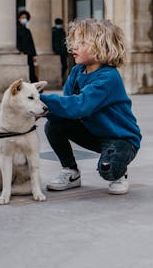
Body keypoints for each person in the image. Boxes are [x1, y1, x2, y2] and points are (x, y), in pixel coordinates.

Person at [40, 18, 142, 195]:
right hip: (94, 133)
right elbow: (68, 106)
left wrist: (38, 98)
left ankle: (119, 171)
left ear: (101, 46)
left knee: (108, 170)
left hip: (120, 138)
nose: (73, 47)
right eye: (73, 42)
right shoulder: (76, 71)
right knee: (54, 124)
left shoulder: (108, 77)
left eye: (81, 42)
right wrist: (42, 109)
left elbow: (80, 106)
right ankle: (70, 171)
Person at [17, 10, 38, 83]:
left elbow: (31, 43)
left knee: (31, 70)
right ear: (19, 19)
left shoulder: (27, 30)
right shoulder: (16, 30)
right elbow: (17, 42)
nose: (24, 19)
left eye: (25, 18)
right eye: (22, 17)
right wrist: (20, 51)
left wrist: (34, 55)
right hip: (22, 54)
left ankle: (35, 86)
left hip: (29, 53)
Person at [52, 18, 68, 85]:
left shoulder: (62, 31)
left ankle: (61, 77)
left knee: (65, 66)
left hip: (63, 52)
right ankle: (60, 79)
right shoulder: (53, 31)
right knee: (61, 66)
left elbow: (65, 42)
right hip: (57, 52)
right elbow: (53, 42)